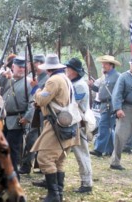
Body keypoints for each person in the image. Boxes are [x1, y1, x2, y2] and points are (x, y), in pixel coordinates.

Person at [31, 54, 81, 202]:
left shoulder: (53, 80)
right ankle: (58, 194)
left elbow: (41, 99)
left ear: (48, 69)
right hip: (66, 124)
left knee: (44, 157)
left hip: (56, 124)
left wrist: (36, 89)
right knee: (59, 159)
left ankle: (54, 195)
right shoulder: (65, 78)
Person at [0, 56, 34, 181]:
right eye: (19, 67)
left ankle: (14, 178)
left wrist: (27, 118)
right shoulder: (9, 80)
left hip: (18, 121)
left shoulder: (30, 82)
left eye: (24, 67)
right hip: (5, 119)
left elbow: (33, 102)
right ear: (12, 67)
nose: (21, 69)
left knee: (12, 151)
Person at [65, 57, 93, 193]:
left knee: (82, 153)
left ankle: (87, 183)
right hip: (71, 121)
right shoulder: (73, 83)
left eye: (68, 69)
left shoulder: (80, 85)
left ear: (74, 71)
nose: (66, 71)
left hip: (77, 122)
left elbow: (72, 103)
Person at [19, 54, 49, 175]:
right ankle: (27, 165)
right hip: (36, 113)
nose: (30, 66)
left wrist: (35, 87)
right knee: (32, 139)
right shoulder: (36, 77)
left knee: (39, 140)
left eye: (33, 63)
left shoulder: (46, 79)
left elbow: (41, 97)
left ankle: (37, 165)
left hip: (42, 113)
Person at [88, 55, 121, 157]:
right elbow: (100, 90)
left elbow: (119, 92)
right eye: (103, 63)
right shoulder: (104, 77)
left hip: (110, 105)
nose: (103, 65)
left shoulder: (117, 76)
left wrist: (117, 106)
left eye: (105, 63)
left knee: (104, 126)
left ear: (111, 65)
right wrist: (92, 86)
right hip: (104, 104)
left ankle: (99, 149)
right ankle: (110, 150)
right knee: (108, 128)